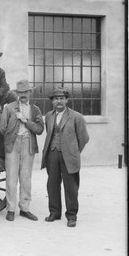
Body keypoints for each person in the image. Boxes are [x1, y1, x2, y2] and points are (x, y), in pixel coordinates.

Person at [41, 87, 89, 228]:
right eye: (56, 99)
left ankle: (71, 215)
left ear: (66, 100)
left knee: (71, 186)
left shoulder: (76, 117)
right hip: (52, 154)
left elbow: (84, 138)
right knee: (52, 184)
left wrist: (73, 151)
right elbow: (50, 134)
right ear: (52, 102)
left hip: (69, 155)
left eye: (62, 98)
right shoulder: (49, 116)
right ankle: (54, 213)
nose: (59, 101)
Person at [0, 80, 44, 222]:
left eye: (25, 92)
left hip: (28, 144)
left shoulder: (35, 109)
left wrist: (25, 121)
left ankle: (24, 209)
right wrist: (12, 135)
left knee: (25, 178)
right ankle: (10, 209)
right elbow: (2, 127)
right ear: (17, 94)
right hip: (13, 144)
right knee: (11, 178)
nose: (23, 95)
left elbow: (40, 129)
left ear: (30, 93)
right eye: (20, 93)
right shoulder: (9, 108)